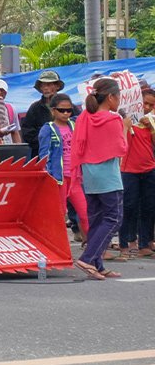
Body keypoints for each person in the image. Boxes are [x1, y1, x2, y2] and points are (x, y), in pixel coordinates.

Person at [69, 77, 128, 279]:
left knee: (97, 219)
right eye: (118, 96)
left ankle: (97, 264)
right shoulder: (113, 119)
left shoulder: (85, 116)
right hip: (108, 176)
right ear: (111, 97)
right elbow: (121, 148)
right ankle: (87, 258)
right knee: (114, 218)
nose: (120, 100)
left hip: (89, 174)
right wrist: (127, 127)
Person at [114, 86, 155, 260]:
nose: (146, 107)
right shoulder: (125, 120)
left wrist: (151, 126)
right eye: (144, 103)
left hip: (149, 168)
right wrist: (126, 125)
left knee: (148, 207)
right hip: (128, 170)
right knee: (128, 207)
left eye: (150, 105)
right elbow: (119, 142)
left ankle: (144, 244)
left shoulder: (150, 122)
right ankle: (124, 244)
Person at [38, 94, 87, 237]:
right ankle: (59, 247)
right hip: (58, 179)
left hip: (75, 178)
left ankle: (93, 248)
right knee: (60, 215)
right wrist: (47, 176)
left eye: (69, 110)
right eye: (61, 110)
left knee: (85, 214)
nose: (66, 113)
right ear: (53, 111)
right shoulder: (48, 129)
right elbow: (44, 155)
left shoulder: (74, 124)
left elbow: (91, 112)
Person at [21, 70, 65, 158]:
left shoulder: (67, 106)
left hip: (65, 153)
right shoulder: (35, 108)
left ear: (57, 86)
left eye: (49, 84)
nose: (45, 88)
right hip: (41, 155)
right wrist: (44, 140)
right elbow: (27, 132)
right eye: (43, 85)